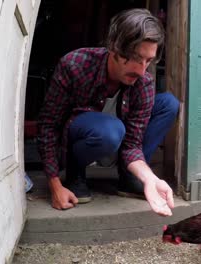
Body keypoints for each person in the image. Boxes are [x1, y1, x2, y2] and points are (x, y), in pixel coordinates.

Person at [37, 8, 178, 216]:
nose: (141, 70)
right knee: (110, 130)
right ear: (114, 46)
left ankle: (130, 177)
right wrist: (54, 184)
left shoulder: (143, 82)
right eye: (135, 58)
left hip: (118, 132)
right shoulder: (75, 65)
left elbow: (132, 144)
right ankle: (76, 173)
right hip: (88, 132)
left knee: (169, 103)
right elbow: (48, 125)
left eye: (148, 61)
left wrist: (150, 179)